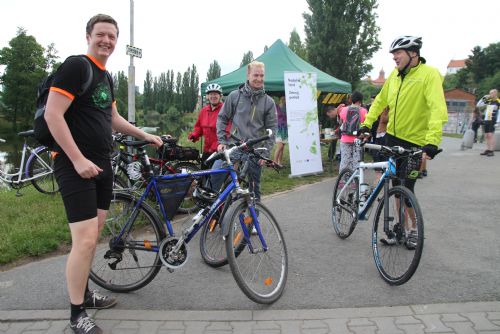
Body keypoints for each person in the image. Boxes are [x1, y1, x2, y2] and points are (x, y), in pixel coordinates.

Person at [44, 14, 163, 334]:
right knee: (83, 242)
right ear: (88, 36)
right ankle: (76, 314)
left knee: (93, 237)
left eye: (112, 36)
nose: (106, 41)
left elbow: (113, 118)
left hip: (102, 165)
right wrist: (78, 159)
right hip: (75, 165)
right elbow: (54, 115)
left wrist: (144, 135)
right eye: (101, 34)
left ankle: (84, 294)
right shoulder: (76, 67)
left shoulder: (105, 77)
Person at [358, 35, 448, 248]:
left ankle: (414, 230)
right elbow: (380, 101)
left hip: (415, 142)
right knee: (395, 185)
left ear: (413, 53)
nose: (394, 58)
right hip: (392, 138)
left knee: (408, 188)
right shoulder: (395, 76)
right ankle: (400, 229)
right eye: (393, 54)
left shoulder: (429, 75)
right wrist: (366, 123)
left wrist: (432, 142)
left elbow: (437, 109)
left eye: (398, 53)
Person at [216, 60, 277, 201]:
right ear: (248, 74)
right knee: (227, 186)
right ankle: (226, 218)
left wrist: (266, 152)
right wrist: (222, 141)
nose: (259, 79)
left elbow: (272, 130)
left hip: (255, 151)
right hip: (235, 147)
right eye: (256, 75)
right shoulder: (234, 96)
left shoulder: (269, 102)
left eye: (262, 75)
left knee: (253, 189)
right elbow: (222, 119)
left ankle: (252, 222)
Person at [188, 83, 224, 169]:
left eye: (216, 94)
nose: (213, 96)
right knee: (203, 175)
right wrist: (194, 135)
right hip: (207, 149)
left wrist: (221, 143)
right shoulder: (204, 110)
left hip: (218, 150)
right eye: (211, 94)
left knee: (215, 177)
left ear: (220, 96)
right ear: (207, 96)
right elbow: (199, 127)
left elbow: (228, 128)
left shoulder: (224, 109)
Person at [338, 91, 368, 172]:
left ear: (351, 99)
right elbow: (365, 125)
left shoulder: (343, 110)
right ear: (361, 100)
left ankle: (343, 181)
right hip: (358, 139)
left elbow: (341, 122)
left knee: (345, 160)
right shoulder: (364, 111)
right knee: (357, 161)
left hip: (345, 139)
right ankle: (357, 180)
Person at [476, 88, 499, 157]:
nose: (490, 94)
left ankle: (491, 150)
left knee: (490, 135)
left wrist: (498, 122)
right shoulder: (489, 100)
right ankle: (488, 149)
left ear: (495, 94)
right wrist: (484, 97)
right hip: (487, 120)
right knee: (486, 135)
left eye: (491, 93)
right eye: (489, 93)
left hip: (493, 120)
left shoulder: (498, 101)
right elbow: (478, 105)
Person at [274, 95, 288, 165]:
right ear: (280, 99)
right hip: (278, 128)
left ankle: (279, 162)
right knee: (280, 146)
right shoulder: (275, 107)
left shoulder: (287, 107)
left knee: (282, 147)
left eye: (285, 99)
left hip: (285, 129)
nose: (284, 100)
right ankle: (275, 162)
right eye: (283, 98)